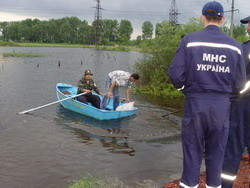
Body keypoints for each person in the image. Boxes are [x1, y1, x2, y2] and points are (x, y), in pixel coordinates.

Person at [168, 1, 246, 188]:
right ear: (223, 19)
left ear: (202, 17)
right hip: (221, 107)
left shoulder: (190, 40)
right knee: (217, 155)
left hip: (195, 104)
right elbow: (241, 83)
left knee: (192, 154)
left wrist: (186, 91)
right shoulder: (235, 46)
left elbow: (175, 74)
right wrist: (226, 96)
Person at [221, 16, 250, 188]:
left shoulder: (245, 49)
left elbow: (236, 80)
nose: (247, 27)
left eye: (248, 24)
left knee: (233, 148)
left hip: (243, 105)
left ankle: (225, 184)